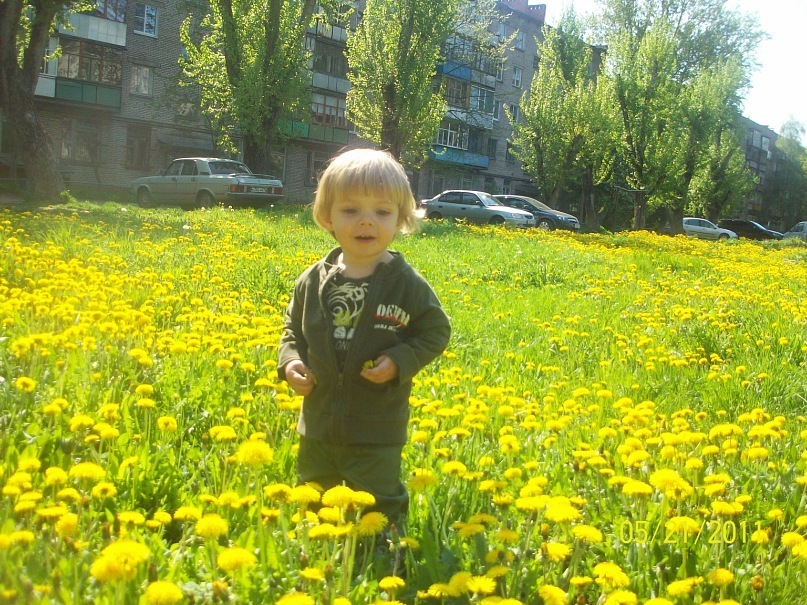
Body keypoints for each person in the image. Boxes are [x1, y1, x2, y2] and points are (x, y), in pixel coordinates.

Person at [277, 148, 451, 537]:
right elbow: (292, 329)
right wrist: (290, 362)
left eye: (382, 212)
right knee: (313, 496)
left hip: (378, 425)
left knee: (378, 501)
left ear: (401, 219)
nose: (366, 221)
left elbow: (435, 330)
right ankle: (316, 553)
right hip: (319, 420)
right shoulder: (312, 280)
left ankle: (385, 554)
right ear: (328, 217)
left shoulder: (405, 283)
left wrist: (400, 359)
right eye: (351, 210)